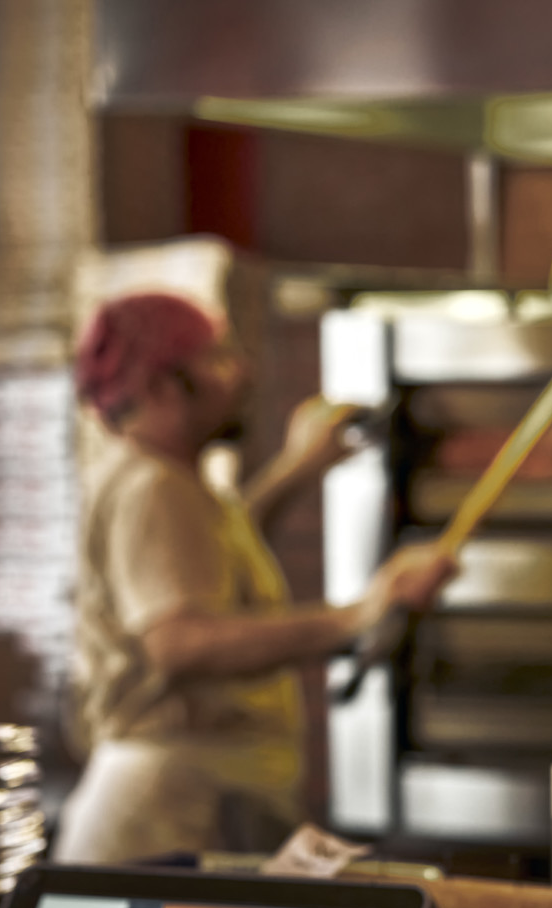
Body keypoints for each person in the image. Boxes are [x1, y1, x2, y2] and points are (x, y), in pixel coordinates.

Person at [55, 292, 456, 864]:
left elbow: (209, 567)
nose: (241, 372)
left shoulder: (166, 479)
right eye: (215, 358)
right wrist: (361, 612)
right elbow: (182, 643)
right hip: (167, 819)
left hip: (186, 803)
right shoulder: (153, 489)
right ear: (162, 385)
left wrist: (299, 468)